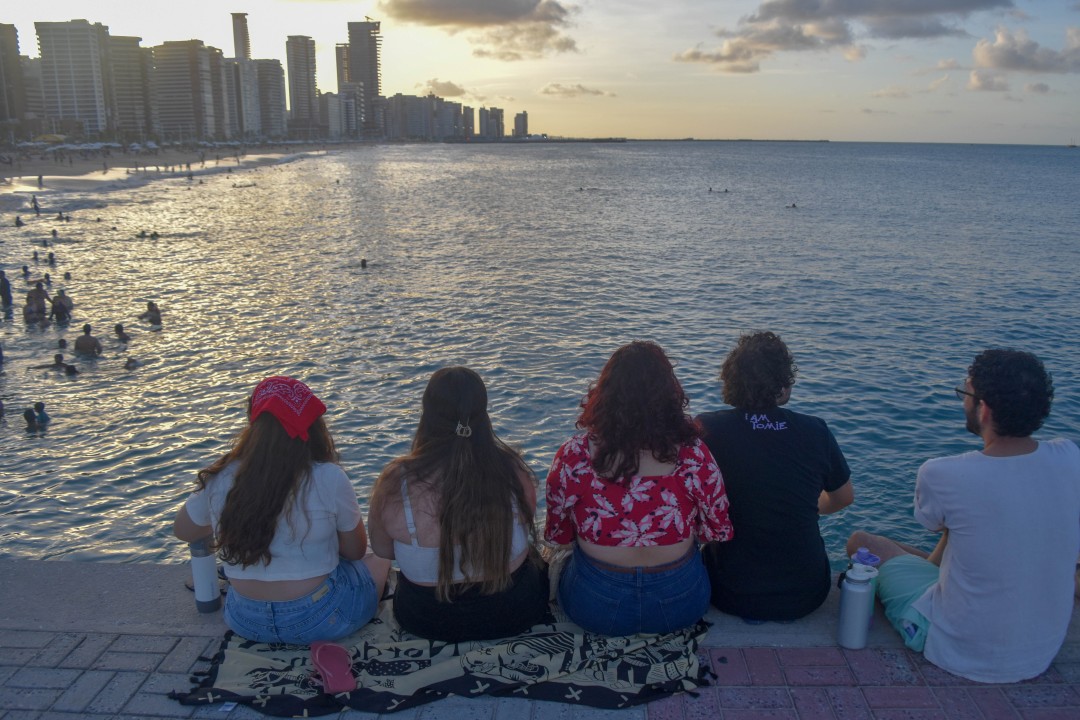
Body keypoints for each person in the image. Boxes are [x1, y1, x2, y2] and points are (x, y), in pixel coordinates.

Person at [848, 349, 1080, 683]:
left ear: (983, 408)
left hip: (958, 649)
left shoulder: (943, 474)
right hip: (1041, 651)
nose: (962, 401)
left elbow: (935, 524)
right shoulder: (1069, 457)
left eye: (965, 393)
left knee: (863, 543)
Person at [173, 376, 390, 644]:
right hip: (322, 619)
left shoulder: (223, 475)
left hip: (245, 619)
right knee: (379, 557)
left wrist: (230, 514)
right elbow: (355, 551)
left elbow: (183, 530)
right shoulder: (329, 477)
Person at [545, 341, 734, 636]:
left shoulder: (575, 455)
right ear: (669, 394)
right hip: (680, 604)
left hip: (595, 606)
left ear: (605, 394)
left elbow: (558, 534)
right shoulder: (693, 454)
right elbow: (717, 530)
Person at [367, 367, 548, 642]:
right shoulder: (512, 470)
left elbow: (383, 550)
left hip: (426, 620)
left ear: (427, 413)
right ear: (483, 413)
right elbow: (526, 523)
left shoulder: (396, 481)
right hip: (512, 614)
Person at [696, 332, 854, 622]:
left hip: (730, 592)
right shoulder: (815, 430)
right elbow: (843, 498)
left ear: (730, 382)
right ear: (783, 385)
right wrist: (797, 504)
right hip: (806, 593)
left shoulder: (707, 429)